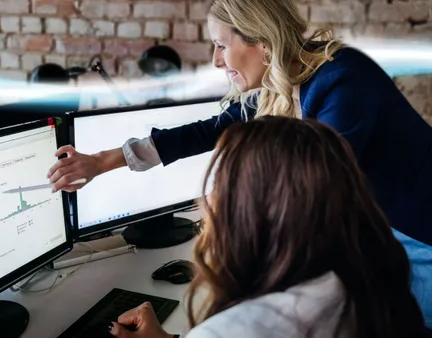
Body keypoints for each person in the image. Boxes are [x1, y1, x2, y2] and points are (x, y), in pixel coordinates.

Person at [47, 0, 432, 325]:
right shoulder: (279, 86)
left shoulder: (342, 80)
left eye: (220, 45)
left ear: (262, 43)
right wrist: (100, 161)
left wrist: (232, 240)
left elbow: (316, 191)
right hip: (378, 234)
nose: (216, 61)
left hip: (419, 234)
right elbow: (205, 131)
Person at [108, 116, 430, 338]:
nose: (208, 201)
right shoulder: (362, 281)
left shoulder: (239, 327)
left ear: (251, 208)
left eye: (223, 182)